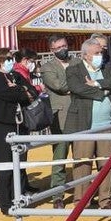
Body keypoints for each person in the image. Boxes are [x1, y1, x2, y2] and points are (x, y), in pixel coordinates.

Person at [66, 38, 111, 209]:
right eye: (97, 53)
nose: (100, 55)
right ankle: (82, 201)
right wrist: (104, 93)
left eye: (101, 52)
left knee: (107, 164)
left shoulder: (107, 68)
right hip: (84, 125)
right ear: (85, 55)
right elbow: (77, 88)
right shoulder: (74, 69)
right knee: (82, 164)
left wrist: (98, 84)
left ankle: (107, 200)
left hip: (107, 125)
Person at [0, 47, 39, 214]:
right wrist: (20, 91)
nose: (11, 61)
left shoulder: (15, 76)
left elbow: (32, 92)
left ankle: (19, 196)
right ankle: (6, 202)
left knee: (20, 162)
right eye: (8, 59)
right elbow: (11, 95)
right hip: (2, 126)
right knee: (5, 165)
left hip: (20, 124)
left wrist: (20, 89)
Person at [40, 35, 74, 209]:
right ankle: (57, 195)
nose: (63, 49)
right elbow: (59, 86)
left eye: (65, 45)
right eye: (59, 47)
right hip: (60, 117)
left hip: (80, 115)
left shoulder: (77, 62)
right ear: (52, 50)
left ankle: (82, 192)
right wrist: (77, 84)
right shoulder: (47, 67)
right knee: (59, 156)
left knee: (82, 156)